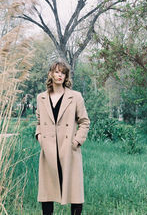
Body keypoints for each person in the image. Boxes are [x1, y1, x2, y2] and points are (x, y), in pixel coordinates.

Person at [35, 60, 90, 215]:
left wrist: (76, 141)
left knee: (75, 192)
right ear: (51, 74)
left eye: (63, 72)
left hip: (69, 149)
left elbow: (84, 121)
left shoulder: (75, 97)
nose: (59, 75)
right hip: (49, 150)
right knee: (47, 192)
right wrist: (39, 136)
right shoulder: (41, 98)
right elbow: (39, 121)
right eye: (57, 72)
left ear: (66, 76)